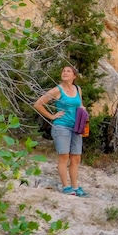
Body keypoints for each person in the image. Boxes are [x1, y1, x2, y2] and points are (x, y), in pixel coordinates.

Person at [33, 65, 89, 197]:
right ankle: (66, 187)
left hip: (76, 127)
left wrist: (84, 114)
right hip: (62, 126)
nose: (65, 72)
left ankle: (76, 186)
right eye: (63, 70)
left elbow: (80, 105)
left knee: (76, 158)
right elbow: (38, 104)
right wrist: (52, 116)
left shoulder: (77, 89)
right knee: (64, 156)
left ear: (74, 76)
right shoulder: (57, 90)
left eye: (68, 71)